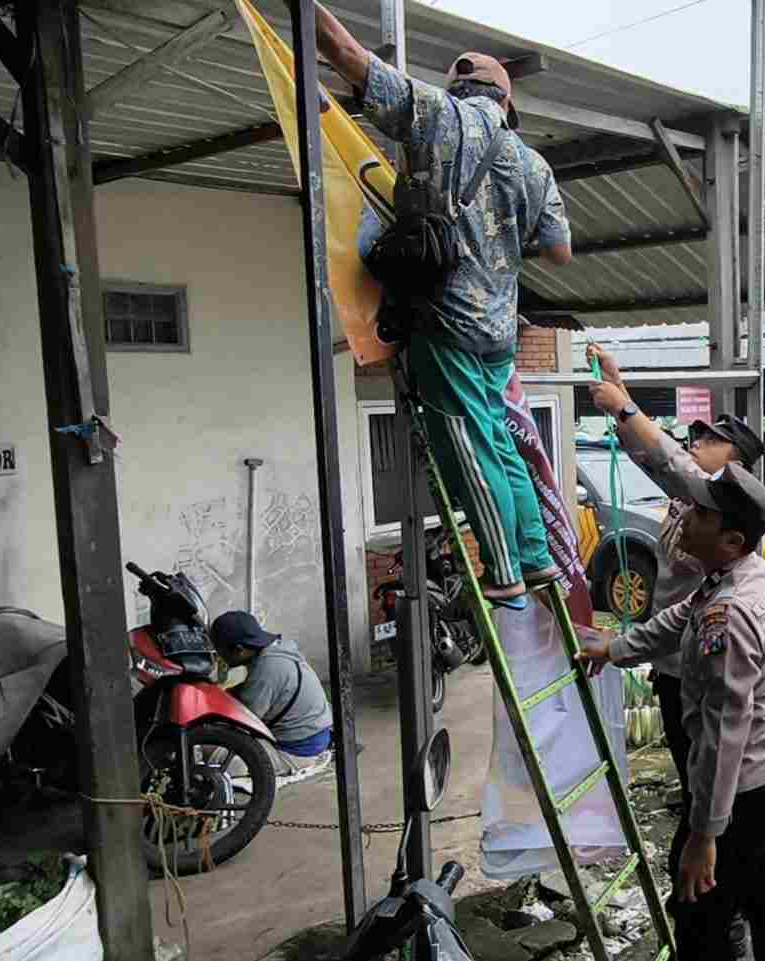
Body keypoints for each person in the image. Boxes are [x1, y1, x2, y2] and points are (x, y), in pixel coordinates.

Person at [318, 9, 571, 608]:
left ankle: (504, 570)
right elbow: (559, 252)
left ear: (458, 89)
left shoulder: (440, 115)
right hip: (500, 330)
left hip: (447, 319)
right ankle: (534, 555)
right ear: (508, 104)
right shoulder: (535, 164)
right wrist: (504, 231)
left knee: (466, 444)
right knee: (499, 439)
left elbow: (349, 57)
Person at [577, 464, 765, 961]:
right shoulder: (738, 576)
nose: (685, 514)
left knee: (700, 914)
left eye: (701, 512)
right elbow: (677, 618)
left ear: (731, 540)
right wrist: (615, 648)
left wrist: (706, 833)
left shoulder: (729, 614)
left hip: (751, 789)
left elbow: (724, 732)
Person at [585, 344, 760, 957]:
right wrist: (620, 396)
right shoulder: (692, 501)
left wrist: (624, 405)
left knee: (710, 784)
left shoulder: (717, 506)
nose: (698, 441)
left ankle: (719, 912)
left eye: (712, 439)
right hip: (672, 660)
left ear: (735, 465)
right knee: (695, 777)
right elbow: (657, 459)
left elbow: (668, 461)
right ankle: (710, 895)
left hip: (698, 669)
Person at [210, 611, 335, 780]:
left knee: (212, 754)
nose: (220, 658)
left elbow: (244, 722)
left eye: (221, 652)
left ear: (239, 650)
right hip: (316, 734)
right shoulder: (278, 650)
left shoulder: (266, 670)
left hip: (297, 752)